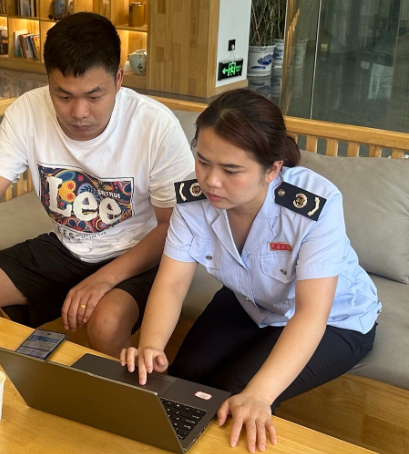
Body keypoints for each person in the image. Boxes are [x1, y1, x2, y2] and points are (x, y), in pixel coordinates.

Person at [0, 12, 194, 357]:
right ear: (48, 81)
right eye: (64, 96)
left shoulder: (154, 125)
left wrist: (106, 277)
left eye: (94, 97)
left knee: (105, 321)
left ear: (119, 79)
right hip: (67, 247)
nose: (79, 112)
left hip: (136, 255)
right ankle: (24, 372)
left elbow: (173, 226)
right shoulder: (28, 111)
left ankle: (122, 385)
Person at [121, 89, 380, 453]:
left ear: (272, 169)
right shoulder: (193, 200)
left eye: (231, 170)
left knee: (233, 397)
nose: (211, 181)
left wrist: (259, 395)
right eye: (203, 161)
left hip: (335, 319)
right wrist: (150, 345)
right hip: (250, 300)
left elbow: (311, 314)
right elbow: (172, 283)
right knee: (182, 382)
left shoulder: (314, 205)